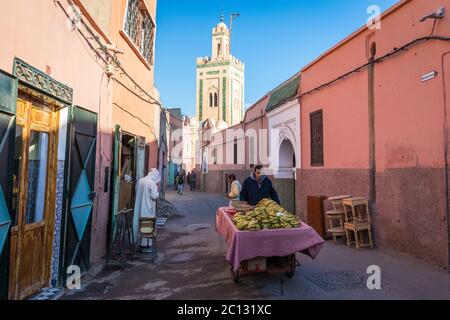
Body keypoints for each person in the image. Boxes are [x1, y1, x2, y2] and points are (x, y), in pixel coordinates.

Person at [133, 169, 161, 242]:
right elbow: (154, 196)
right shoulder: (152, 183)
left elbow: (136, 190)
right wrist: (158, 193)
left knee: (138, 222)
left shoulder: (140, 181)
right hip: (147, 207)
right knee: (147, 224)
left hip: (138, 206)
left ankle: (137, 240)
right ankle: (145, 242)